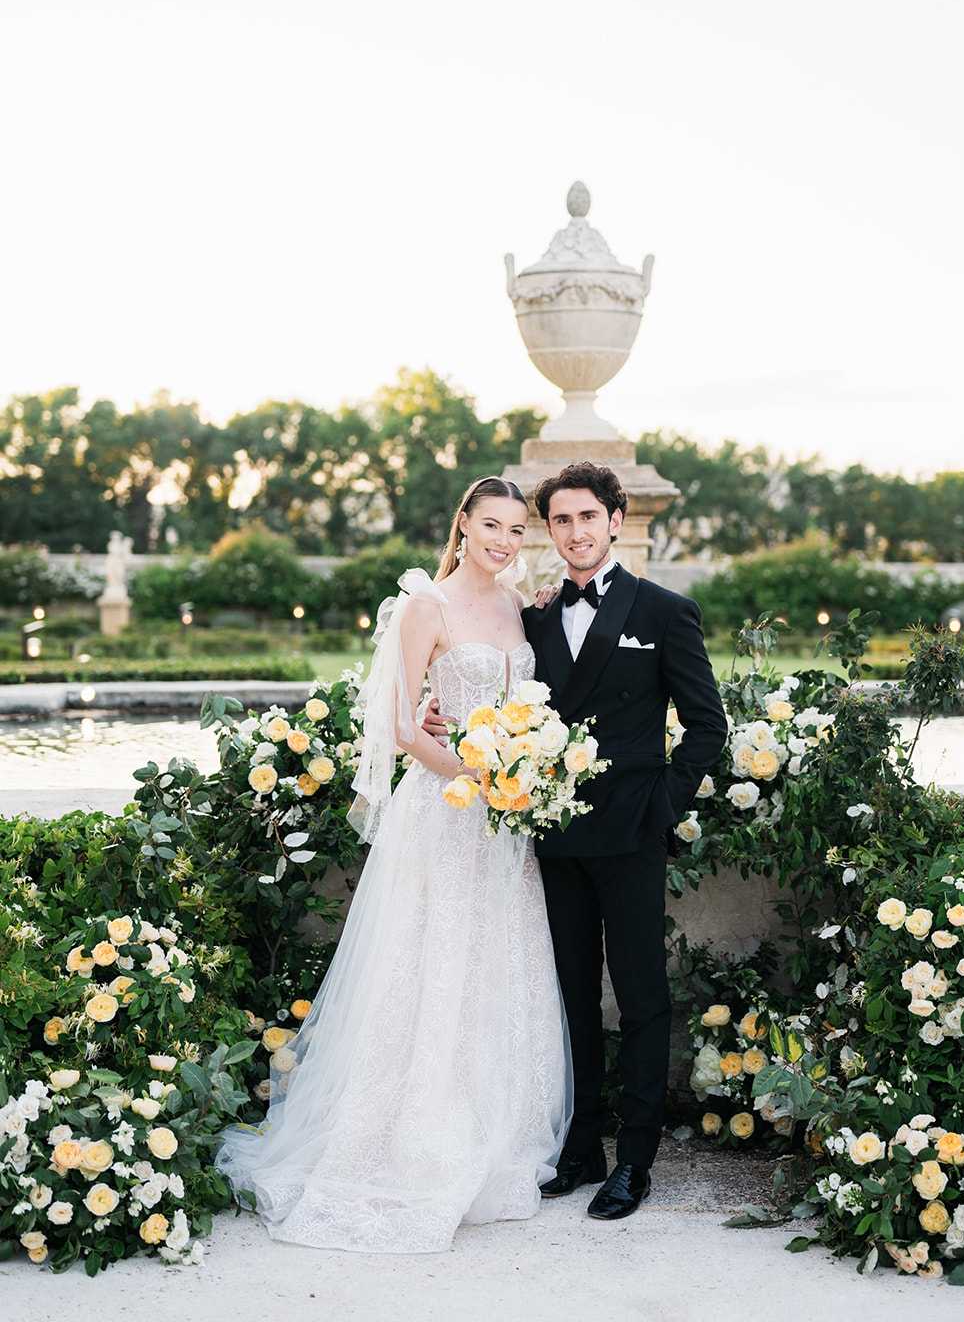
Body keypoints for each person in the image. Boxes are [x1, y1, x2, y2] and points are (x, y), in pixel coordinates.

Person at [214, 476, 572, 1253]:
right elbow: (407, 729)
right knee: (427, 964)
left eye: (516, 530)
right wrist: (483, 778)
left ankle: (491, 1129)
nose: (505, 541)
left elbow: (521, 705)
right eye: (491, 526)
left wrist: (522, 776)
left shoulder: (517, 606)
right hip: (445, 810)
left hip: (504, 821)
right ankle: (405, 1138)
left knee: (489, 967)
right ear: (463, 526)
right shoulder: (424, 607)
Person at [424, 461, 728, 1220]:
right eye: (559, 521)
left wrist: (660, 807)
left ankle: (634, 1161)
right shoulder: (533, 617)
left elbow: (706, 726)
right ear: (550, 530)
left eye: (587, 517)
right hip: (548, 837)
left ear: (614, 519)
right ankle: (580, 1148)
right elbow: (497, 704)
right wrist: (445, 724)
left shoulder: (663, 611)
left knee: (640, 997)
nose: (575, 532)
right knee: (568, 996)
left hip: (630, 837)